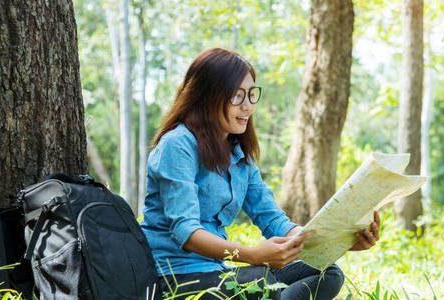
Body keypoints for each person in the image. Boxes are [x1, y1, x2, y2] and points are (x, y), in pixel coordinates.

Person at [140, 48, 380, 300]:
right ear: (206, 96)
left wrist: (338, 242)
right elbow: (185, 232)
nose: (248, 106)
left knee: (327, 272)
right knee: (266, 286)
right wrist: (252, 254)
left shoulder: (238, 155)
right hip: (173, 278)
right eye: (236, 96)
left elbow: (274, 221)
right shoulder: (177, 145)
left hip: (218, 272)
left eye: (251, 95)